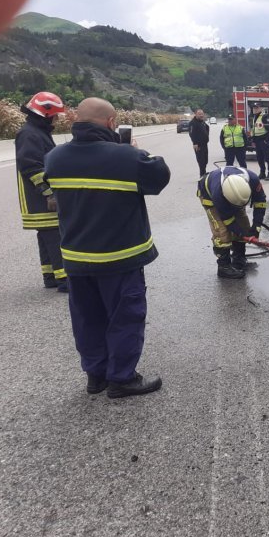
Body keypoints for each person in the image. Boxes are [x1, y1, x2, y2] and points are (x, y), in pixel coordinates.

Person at [44, 97, 171, 398]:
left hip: (76, 258)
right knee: (124, 316)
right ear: (112, 123)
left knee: (87, 318)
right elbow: (160, 176)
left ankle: (95, 375)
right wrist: (134, 149)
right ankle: (122, 378)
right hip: (119, 258)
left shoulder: (54, 158)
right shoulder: (126, 158)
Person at [14, 91, 68, 292]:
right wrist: (49, 193)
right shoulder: (30, 134)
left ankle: (50, 277)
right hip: (41, 199)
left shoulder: (35, 131)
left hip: (38, 198)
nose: (55, 119)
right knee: (55, 238)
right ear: (45, 114)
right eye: (54, 115)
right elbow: (31, 167)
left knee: (47, 238)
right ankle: (64, 280)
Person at [197, 166, 266, 279]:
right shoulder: (218, 194)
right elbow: (228, 220)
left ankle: (239, 260)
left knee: (244, 226)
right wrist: (241, 234)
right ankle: (224, 267)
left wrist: (256, 226)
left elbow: (260, 203)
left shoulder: (253, 180)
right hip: (208, 196)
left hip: (232, 197)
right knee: (221, 231)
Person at [249, 103, 269, 179]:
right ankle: (262, 173)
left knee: (267, 158)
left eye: (256, 108)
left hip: (263, 140)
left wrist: (266, 140)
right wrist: (253, 140)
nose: (254, 109)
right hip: (257, 140)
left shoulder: (264, 116)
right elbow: (254, 130)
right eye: (253, 108)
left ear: (260, 108)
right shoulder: (254, 117)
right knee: (259, 158)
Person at [189, 108, 210, 177]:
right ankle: (202, 175)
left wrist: (206, 135)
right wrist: (195, 143)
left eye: (202, 114)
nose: (201, 115)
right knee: (201, 161)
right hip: (198, 145)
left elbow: (207, 127)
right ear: (195, 114)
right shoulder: (193, 123)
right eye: (199, 114)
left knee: (205, 160)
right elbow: (192, 134)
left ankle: (204, 172)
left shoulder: (202, 122)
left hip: (204, 144)